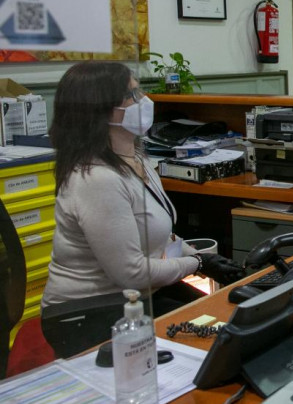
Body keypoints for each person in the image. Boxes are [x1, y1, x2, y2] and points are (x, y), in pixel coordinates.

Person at [41, 62, 244, 353]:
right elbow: (131, 272)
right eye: (132, 96)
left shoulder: (135, 156)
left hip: (139, 296)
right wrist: (198, 264)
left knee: (227, 322)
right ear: (101, 112)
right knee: (212, 345)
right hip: (88, 311)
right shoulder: (95, 178)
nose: (144, 101)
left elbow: (157, 233)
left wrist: (202, 258)